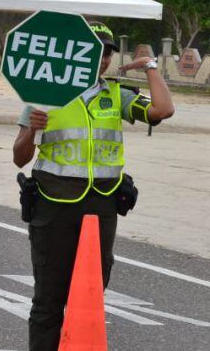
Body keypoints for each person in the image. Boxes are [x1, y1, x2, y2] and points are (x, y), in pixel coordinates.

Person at [12, 23, 174, 351]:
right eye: (93, 50)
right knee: (49, 299)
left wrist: (150, 68)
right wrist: (31, 130)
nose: (101, 58)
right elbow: (19, 158)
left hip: (100, 207)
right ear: (73, 53)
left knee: (89, 294)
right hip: (53, 204)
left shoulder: (115, 94)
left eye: (108, 52)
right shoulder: (43, 95)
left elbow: (163, 109)